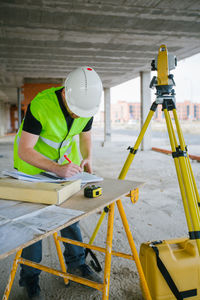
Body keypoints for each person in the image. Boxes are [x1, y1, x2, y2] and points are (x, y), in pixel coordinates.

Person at [13, 66, 103, 299]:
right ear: (65, 94)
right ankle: (30, 278)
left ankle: (77, 263)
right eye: (75, 111)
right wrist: (56, 168)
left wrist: (88, 157)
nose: (77, 115)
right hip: (31, 171)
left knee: (69, 216)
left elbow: (86, 134)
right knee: (34, 225)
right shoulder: (40, 105)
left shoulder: (86, 104)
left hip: (64, 169)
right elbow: (25, 150)